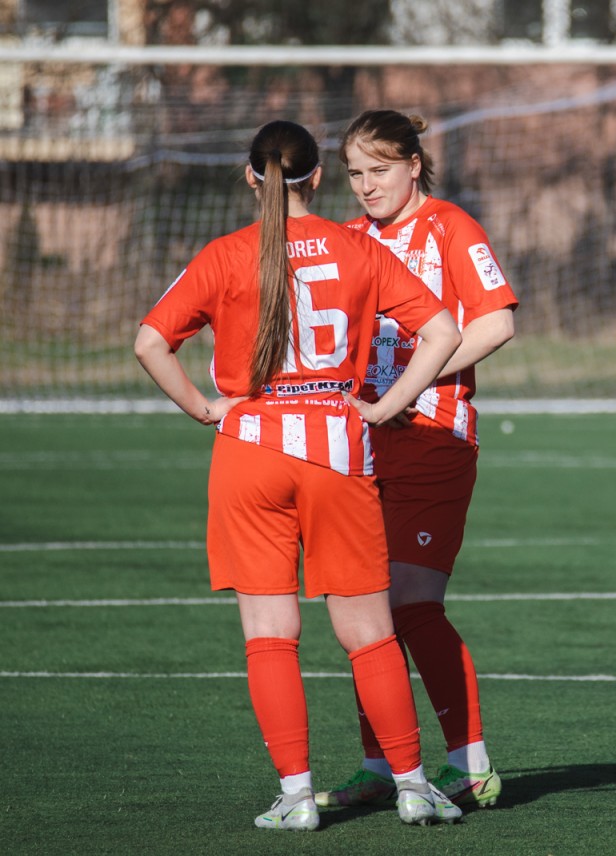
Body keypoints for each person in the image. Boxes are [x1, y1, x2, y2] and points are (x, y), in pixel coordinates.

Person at [134, 120, 464, 830]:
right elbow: (443, 331)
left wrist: (204, 408)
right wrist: (385, 405)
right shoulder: (358, 248)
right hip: (337, 451)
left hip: (249, 451)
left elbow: (150, 341)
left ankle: (295, 796)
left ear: (252, 177)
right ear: (318, 176)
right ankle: (411, 785)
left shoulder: (225, 254)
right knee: (369, 633)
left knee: (270, 633)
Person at [315, 109, 518, 813]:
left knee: (411, 602)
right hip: (359, 442)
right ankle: (380, 764)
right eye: (354, 174)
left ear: (413, 165)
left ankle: (471, 763)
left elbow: (495, 322)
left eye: (379, 170)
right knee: (365, 613)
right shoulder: (346, 239)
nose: (366, 186)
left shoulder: (451, 228)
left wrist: (410, 386)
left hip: (434, 438)